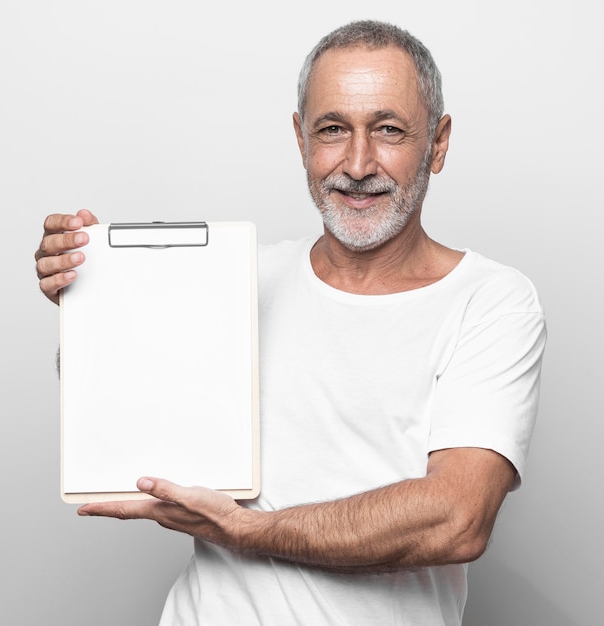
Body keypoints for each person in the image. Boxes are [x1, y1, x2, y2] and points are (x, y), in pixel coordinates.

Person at [35, 20, 546, 626]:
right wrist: (92, 305)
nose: (357, 164)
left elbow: (457, 518)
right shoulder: (241, 277)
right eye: (333, 130)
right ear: (301, 139)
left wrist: (247, 531)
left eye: (388, 130)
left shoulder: (491, 302)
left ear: (437, 143)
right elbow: (131, 407)